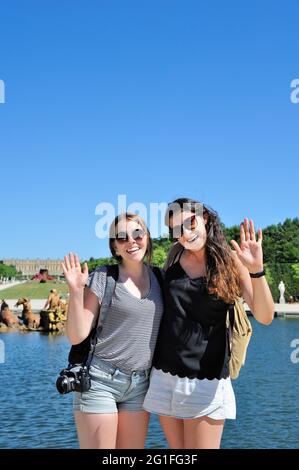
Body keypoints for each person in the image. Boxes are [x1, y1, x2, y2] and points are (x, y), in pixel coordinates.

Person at [143, 198, 274, 449]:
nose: (186, 234)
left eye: (190, 222)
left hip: (206, 381)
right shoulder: (175, 256)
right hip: (164, 375)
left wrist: (256, 270)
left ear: (204, 217)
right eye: (176, 230)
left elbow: (265, 316)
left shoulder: (231, 261)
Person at [62, 213, 164, 449]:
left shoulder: (161, 278)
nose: (131, 241)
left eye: (137, 233)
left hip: (140, 384)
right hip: (99, 381)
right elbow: (77, 335)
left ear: (146, 237)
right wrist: (75, 292)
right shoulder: (103, 277)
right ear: (115, 247)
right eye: (121, 237)